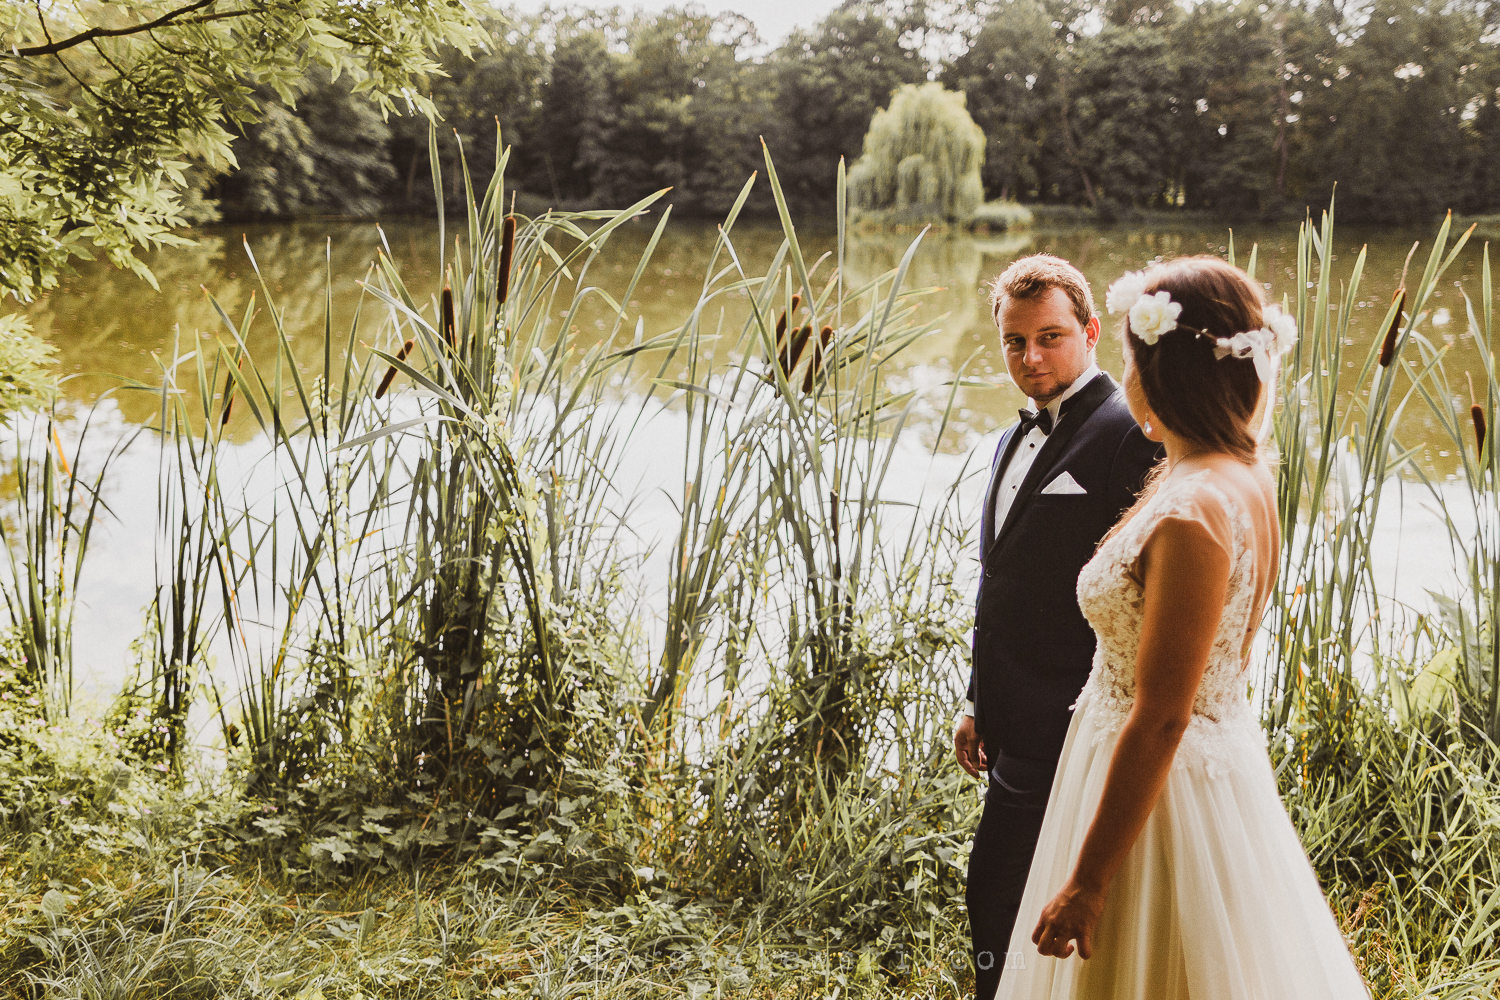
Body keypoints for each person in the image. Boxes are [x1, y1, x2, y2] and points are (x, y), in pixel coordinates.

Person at [994, 256, 1369, 998]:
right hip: (1187, 763)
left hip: (1162, 799)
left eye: (1132, 361)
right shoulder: (1236, 475)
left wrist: (1088, 882)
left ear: (1164, 372)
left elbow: (1164, 714)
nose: (1125, 378)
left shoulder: (1193, 511)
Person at [956, 254, 1161, 1000]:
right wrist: (977, 698)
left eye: (1050, 337)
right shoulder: (1011, 438)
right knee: (1006, 897)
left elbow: (1142, 592)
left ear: (1092, 331)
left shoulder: (1128, 433)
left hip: (1072, 720)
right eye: (1015, 341)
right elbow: (1004, 582)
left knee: (1002, 894)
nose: (1031, 357)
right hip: (1012, 717)